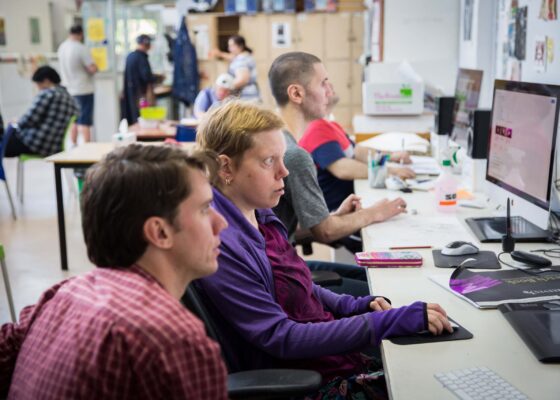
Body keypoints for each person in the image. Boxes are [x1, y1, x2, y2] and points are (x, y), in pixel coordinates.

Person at [195, 100, 452, 398]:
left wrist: (351, 306)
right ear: (226, 167)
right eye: (268, 161)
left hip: (324, 357)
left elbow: (299, 284)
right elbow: (281, 337)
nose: (284, 172)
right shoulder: (222, 245)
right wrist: (383, 322)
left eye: (282, 159)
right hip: (304, 380)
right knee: (431, 383)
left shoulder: (260, 213)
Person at [0, 144, 229, 399]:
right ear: (160, 232)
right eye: (204, 209)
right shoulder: (172, 338)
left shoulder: (60, 296)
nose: (221, 223)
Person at [269, 52, 408, 254]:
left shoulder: (277, 141)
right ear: (296, 94)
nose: (329, 91)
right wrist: (375, 213)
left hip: (276, 261)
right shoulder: (293, 154)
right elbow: (325, 233)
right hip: (280, 270)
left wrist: (335, 217)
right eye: (322, 83)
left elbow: (282, 231)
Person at [299, 86, 415, 210]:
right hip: (334, 211)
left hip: (347, 204)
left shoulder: (331, 125)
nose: (330, 86)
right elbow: (342, 169)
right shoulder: (316, 129)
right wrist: (391, 172)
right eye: (323, 84)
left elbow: (357, 151)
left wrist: (391, 156)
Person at [0, 66, 78, 157]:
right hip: (55, 147)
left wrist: (16, 122)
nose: (37, 87)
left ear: (46, 81)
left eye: (38, 83)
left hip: (36, 144)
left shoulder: (47, 94)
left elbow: (29, 119)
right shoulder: (70, 98)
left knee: (4, 142)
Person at [57, 24, 98, 144]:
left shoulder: (62, 47)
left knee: (73, 120)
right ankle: (88, 148)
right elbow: (92, 68)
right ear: (81, 34)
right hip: (83, 89)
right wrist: (96, 67)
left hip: (68, 89)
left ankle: (74, 145)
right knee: (84, 121)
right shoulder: (81, 48)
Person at [122, 34, 164, 124]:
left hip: (131, 95)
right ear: (146, 44)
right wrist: (159, 78)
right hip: (140, 96)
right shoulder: (141, 58)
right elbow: (146, 76)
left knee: (134, 119)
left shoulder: (130, 56)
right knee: (142, 118)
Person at [211, 35, 260, 101]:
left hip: (245, 97)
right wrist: (220, 54)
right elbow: (231, 57)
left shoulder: (241, 60)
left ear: (240, 46)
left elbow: (243, 79)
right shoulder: (245, 56)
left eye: (232, 46)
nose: (229, 49)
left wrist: (225, 87)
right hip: (252, 95)